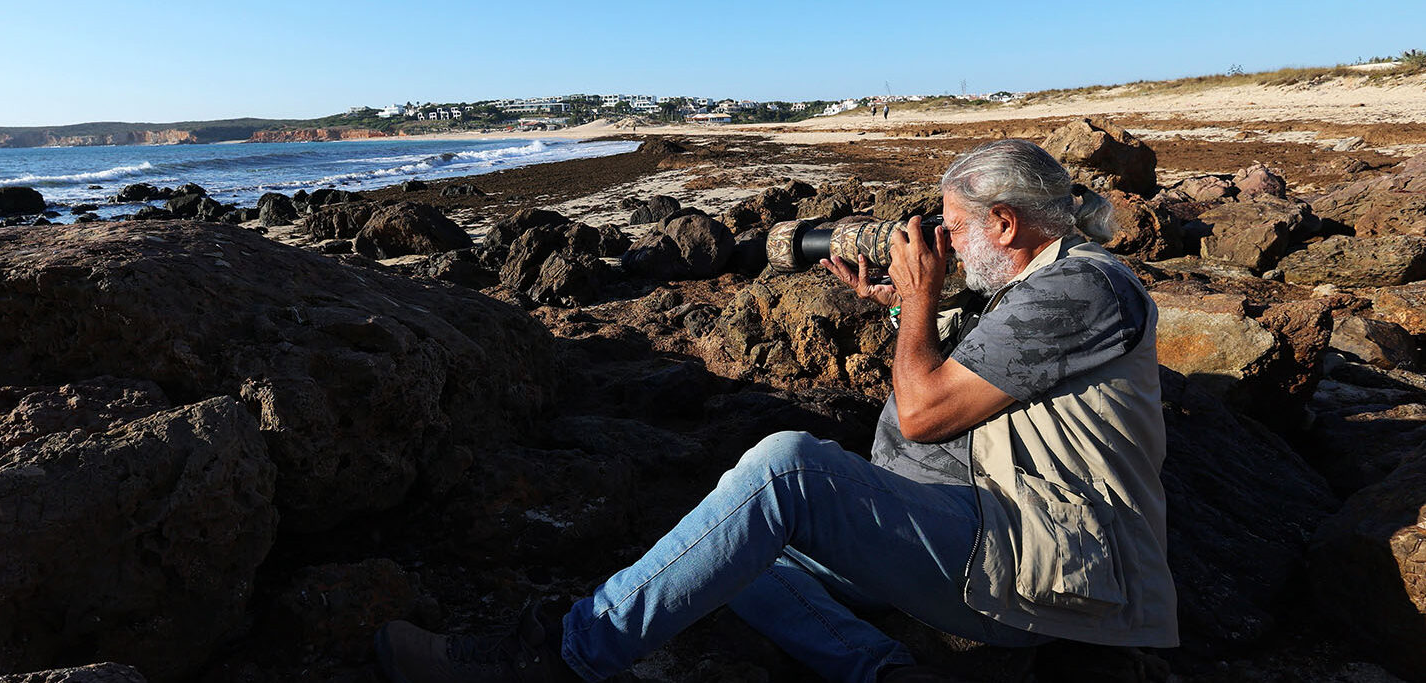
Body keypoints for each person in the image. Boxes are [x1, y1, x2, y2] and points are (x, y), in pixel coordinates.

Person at [374, 139, 1177, 683]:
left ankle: (556, 654)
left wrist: (922, 295)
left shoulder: (1080, 287)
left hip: (1055, 570)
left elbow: (927, 410)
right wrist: (906, 309)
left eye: (955, 228)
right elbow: (953, 394)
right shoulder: (1032, 288)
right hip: (1000, 538)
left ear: (1005, 224)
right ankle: (883, 671)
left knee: (785, 468)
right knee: (729, 557)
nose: (944, 243)